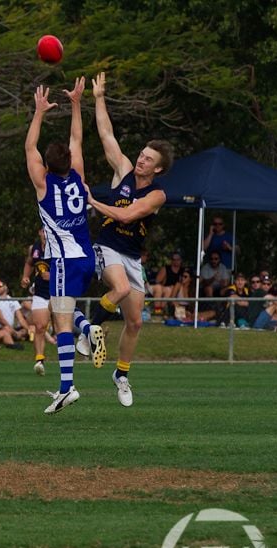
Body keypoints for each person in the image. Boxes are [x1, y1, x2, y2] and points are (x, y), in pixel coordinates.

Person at [85, 71, 175, 408]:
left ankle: (120, 374)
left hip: (132, 256)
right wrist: (98, 98)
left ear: (158, 169)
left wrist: (94, 201)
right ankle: (91, 331)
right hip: (107, 247)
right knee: (119, 289)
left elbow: (125, 215)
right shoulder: (122, 170)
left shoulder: (157, 195)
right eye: (141, 154)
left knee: (135, 321)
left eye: (149, 158)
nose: (141, 159)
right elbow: (106, 133)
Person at [25, 77, 99, 414]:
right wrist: (75, 103)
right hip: (87, 259)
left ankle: (67, 387)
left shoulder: (43, 183)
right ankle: (88, 329)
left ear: (47, 164)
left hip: (62, 260)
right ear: (69, 161)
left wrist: (39, 112)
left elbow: (29, 148)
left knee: (60, 323)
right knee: (65, 313)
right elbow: (77, 138)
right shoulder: (79, 176)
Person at [21, 229, 52, 374]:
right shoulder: (34, 248)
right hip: (40, 292)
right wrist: (25, 277)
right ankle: (39, 360)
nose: (46, 233)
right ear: (39, 232)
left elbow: (70, 268)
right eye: (44, 230)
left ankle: (67, 362)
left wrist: (53, 276)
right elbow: (29, 263)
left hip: (58, 292)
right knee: (40, 326)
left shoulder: (59, 246)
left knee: (62, 327)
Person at [151, 250, 185, 314]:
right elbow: (157, 281)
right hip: (166, 289)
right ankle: (159, 310)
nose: (176, 261)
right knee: (167, 289)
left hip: (177, 290)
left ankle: (164, 309)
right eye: (173, 259)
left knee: (177, 286)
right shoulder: (166, 269)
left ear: (181, 260)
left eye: (178, 259)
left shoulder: (183, 270)